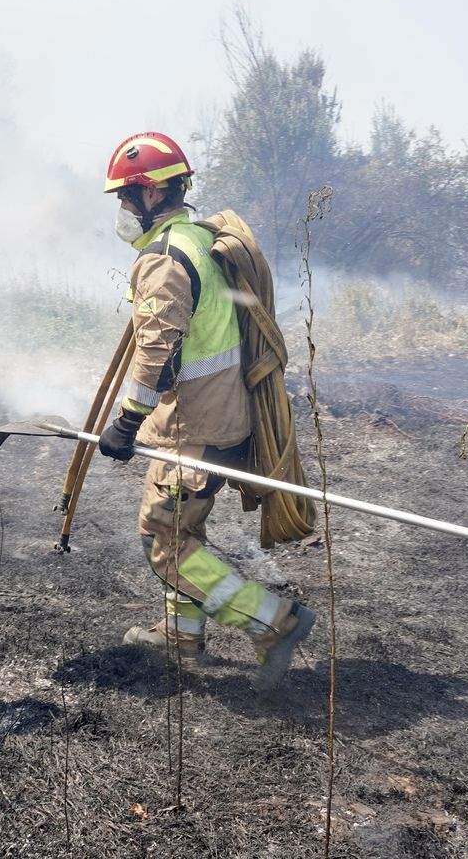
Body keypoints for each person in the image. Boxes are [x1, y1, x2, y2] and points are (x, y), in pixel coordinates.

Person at [97, 132, 314, 689]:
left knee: (164, 542)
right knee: (177, 524)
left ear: (150, 196)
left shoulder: (164, 258)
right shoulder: (199, 240)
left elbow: (157, 349)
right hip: (217, 417)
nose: (121, 210)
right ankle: (181, 636)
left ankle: (273, 621)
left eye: (125, 197)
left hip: (199, 425)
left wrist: (125, 422)